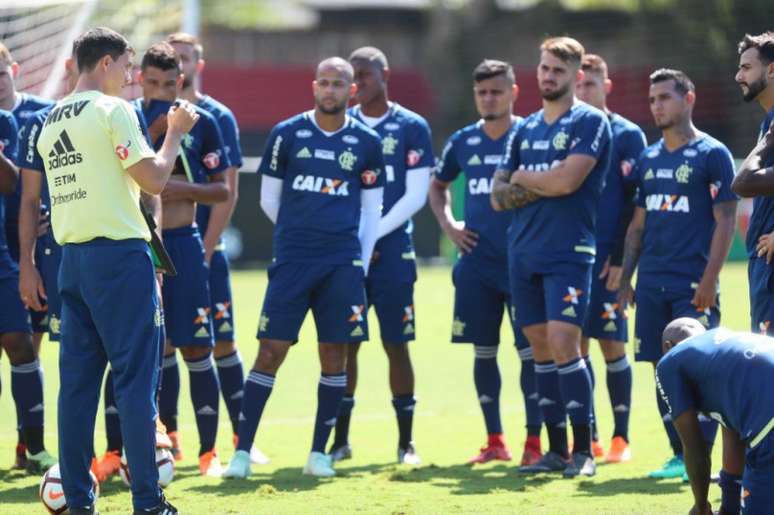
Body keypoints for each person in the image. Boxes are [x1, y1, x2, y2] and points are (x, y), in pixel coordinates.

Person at [37, 27, 198, 514]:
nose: (131, 79)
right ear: (105, 63)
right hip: (119, 260)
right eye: (127, 68)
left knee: (78, 389)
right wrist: (174, 132)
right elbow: (153, 176)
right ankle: (148, 502)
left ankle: (80, 503)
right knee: (135, 382)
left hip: (73, 265)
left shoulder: (50, 120)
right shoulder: (113, 110)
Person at [222, 57, 384, 479]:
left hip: (343, 266)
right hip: (294, 260)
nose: (330, 90)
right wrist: (302, 234)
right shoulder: (286, 134)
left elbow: (372, 211)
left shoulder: (366, 142)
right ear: (314, 87)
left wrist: (357, 263)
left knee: (335, 354)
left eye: (339, 84)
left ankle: (319, 454)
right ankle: (242, 453)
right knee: (270, 350)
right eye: (324, 83)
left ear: (352, 90)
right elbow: (269, 201)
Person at [491, 36, 612, 478]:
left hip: (569, 252)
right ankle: (555, 451)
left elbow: (568, 183)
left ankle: (584, 452)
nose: (547, 76)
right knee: (538, 349)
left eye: (558, 71)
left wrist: (526, 177)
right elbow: (497, 196)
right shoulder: (524, 128)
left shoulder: (590, 122)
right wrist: (543, 179)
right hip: (522, 253)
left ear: (577, 77)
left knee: (564, 344)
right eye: (544, 68)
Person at [618, 68, 737, 480]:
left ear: (688, 99)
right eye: (652, 100)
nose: (656, 106)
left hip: (693, 283)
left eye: (664, 97)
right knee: (660, 367)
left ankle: (705, 454)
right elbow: (637, 226)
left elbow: (726, 220)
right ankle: (678, 455)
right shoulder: (648, 159)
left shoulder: (712, 154)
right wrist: (625, 280)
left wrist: (709, 280)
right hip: (651, 282)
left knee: (699, 365)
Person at [430, 59, 543, 466]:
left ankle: (534, 443)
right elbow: (438, 184)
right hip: (476, 263)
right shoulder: (463, 141)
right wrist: (450, 225)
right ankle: (495, 440)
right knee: (483, 352)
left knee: (531, 354)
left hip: (523, 262)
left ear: (513, 92)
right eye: (482, 92)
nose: (488, 98)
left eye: (496, 91)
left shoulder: (531, 134)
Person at [325, 46, 433, 465]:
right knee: (345, 344)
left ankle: (406, 442)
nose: (358, 83)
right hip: (348, 253)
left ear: (384, 75)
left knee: (396, 344)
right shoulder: (339, 124)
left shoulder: (411, 126)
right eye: (352, 76)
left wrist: (370, 237)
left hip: (390, 253)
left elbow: (415, 196)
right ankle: (340, 441)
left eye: (365, 74)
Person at [165, 31, 268, 465]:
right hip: (166, 251)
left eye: (187, 58)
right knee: (166, 341)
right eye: (173, 58)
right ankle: (168, 439)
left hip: (204, 249)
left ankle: (241, 440)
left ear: (198, 64)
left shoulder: (216, 116)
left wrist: (206, 251)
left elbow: (229, 192)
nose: (181, 65)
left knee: (221, 342)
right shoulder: (152, 116)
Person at [131, 41, 230, 477]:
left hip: (184, 241)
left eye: (169, 84)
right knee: (152, 345)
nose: (160, 92)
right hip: (140, 244)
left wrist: (181, 190)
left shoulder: (202, 122)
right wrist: (155, 134)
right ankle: (162, 440)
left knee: (196, 344)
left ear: (181, 83)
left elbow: (222, 190)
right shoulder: (128, 118)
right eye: (152, 82)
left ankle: (210, 451)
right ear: (139, 79)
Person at [575, 53, 646, 463]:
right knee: (573, 345)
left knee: (611, 343)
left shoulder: (627, 134)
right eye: (580, 84)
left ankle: (621, 438)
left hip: (608, 258)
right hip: (572, 258)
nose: (584, 91)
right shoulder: (567, 131)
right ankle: (590, 438)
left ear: (607, 85)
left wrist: (621, 257)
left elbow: (636, 201)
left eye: (591, 84)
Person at [0, 39, 55, 468]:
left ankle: (31, 446)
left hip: (19, 254)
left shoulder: (22, 118)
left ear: (14, 70)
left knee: (24, 343)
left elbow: (18, 186)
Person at [656, 319, 774, 515]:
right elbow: (732, 437)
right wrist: (728, 507)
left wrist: (701, 505)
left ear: (668, 346)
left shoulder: (670, 361)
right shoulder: (723, 349)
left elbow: (695, 448)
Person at [731, 32, 774, 335]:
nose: (737, 76)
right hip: (763, 268)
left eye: (746, 67)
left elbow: (743, 183)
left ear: (772, 70)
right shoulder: (767, 122)